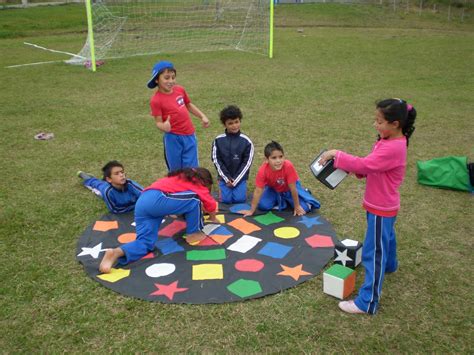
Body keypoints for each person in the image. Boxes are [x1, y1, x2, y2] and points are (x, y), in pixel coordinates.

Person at [318, 98, 417, 315]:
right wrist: (361, 170)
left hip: (381, 207)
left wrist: (338, 154)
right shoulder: (389, 139)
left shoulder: (394, 146)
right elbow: (373, 164)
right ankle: (390, 265)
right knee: (386, 239)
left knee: (373, 252)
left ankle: (367, 301)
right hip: (381, 206)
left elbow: (366, 163)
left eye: (379, 121)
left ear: (396, 123)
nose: (376, 125)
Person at [99, 167, 219, 273]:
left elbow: (177, 200)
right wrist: (213, 217)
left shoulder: (178, 178)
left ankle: (116, 253)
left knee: (145, 243)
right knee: (195, 200)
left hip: (143, 203)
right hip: (156, 199)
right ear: (204, 181)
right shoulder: (195, 181)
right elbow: (208, 201)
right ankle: (194, 233)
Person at [147, 60, 210, 172]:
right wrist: (164, 127)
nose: (171, 81)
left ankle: (191, 187)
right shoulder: (156, 100)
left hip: (189, 135)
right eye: (166, 78)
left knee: (192, 169)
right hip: (173, 138)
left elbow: (188, 105)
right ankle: (177, 188)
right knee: (176, 170)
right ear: (157, 80)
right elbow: (158, 122)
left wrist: (202, 116)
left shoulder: (180, 90)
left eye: (173, 77)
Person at [241, 141, 320, 217]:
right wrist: (251, 211)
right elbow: (258, 191)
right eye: (274, 158)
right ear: (266, 160)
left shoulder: (288, 166)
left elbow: (293, 188)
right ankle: (283, 200)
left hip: (289, 189)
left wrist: (297, 206)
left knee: (304, 208)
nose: (278, 161)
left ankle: (304, 192)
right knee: (263, 206)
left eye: (281, 157)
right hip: (274, 189)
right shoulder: (263, 171)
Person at [211, 105, 254, 204]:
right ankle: (221, 184)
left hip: (239, 177)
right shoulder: (218, 140)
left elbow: (247, 164)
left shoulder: (247, 142)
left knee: (239, 199)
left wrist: (236, 180)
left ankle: (241, 187)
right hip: (224, 177)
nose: (234, 126)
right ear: (224, 124)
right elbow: (216, 160)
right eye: (230, 123)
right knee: (226, 200)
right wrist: (226, 178)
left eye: (236, 122)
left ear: (240, 121)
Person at [77, 160, 143, 214]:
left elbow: (145, 195)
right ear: (109, 179)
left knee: (100, 183)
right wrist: (136, 206)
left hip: (110, 183)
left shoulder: (130, 183)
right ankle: (86, 177)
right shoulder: (107, 191)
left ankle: (92, 178)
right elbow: (115, 210)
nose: (121, 175)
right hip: (103, 188)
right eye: (117, 173)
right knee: (97, 185)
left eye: (122, 172)